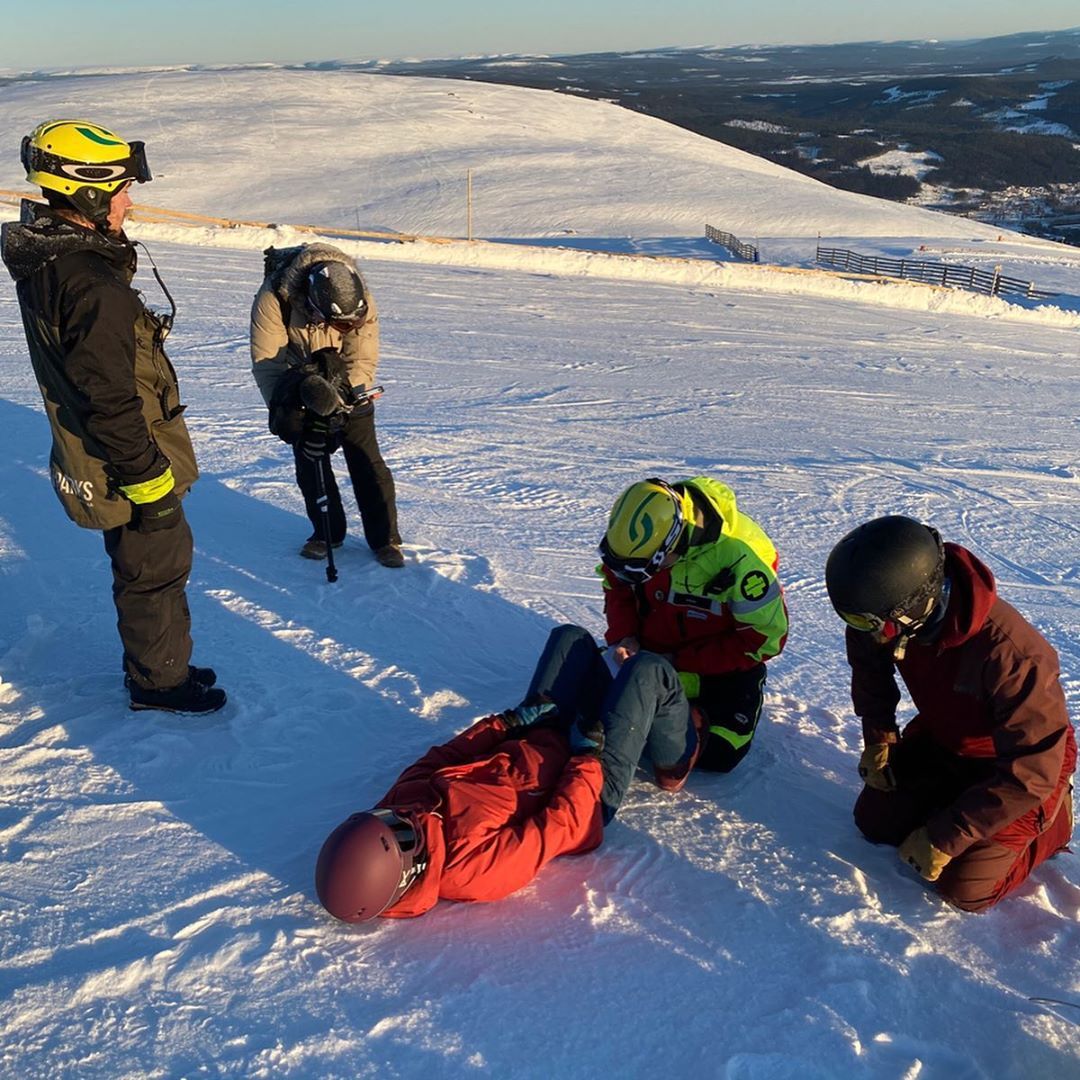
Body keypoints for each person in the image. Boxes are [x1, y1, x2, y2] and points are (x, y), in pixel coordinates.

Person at [1, 119, 225, 714]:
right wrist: (149, 481)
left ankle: (162, 661)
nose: (131, 199)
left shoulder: (62, 260)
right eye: (122, 187)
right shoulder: (89, 282)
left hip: (117, 447)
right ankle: (159, 684)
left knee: (148, 565)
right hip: (128, 455)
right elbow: (107, 395)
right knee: (154, 564)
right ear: (88, 191)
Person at [825, 515, 1075, 912]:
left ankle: (1052, 824)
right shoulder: (883, 617)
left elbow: (1034, 767)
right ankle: (959, 804)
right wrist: (880, 737)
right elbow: (869, 667)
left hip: (1022, 768)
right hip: (947, 738)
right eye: (853, 619)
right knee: (875, 822)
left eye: (864, 622)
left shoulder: (1012, 655)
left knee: (964, 889)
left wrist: (946, 836)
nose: (861, 630)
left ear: (914, 607)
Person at [516, 476, 788, 824]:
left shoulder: (737, 562)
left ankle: (597, 801)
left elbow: (766, 639)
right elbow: (617, 585)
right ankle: (531, 742)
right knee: (569, 639)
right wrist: (626, 636)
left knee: (716, 752)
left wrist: (674, 663)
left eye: (645, 571)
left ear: (671, 547)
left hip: (717, 680)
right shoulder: (639, 540)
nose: (635, 577)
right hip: (649, 656)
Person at [315, 706, 603, 921]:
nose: (402, 816)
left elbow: (441, 758)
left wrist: (505, 723)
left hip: (532, 742)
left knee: (567, 638)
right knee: (641, 673)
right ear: (406, 872)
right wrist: (587, 758)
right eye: (400, 831)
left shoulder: (402, 807)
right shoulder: (468, 869)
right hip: (589, 788)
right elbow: (560, 825)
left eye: (385, 816)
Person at [250, 243, 403, 568]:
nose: (345, 329)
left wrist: (347, 402)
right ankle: (326, 532)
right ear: (314, 305)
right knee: (310, 453)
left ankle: (385, 537)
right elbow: (268, 364)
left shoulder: (360, 297)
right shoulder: (275, 298)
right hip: (298, 377)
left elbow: (360, 357)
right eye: (339, 323)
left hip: (345, 379)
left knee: (365, 456)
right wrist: (286, 409)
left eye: (350, 323)